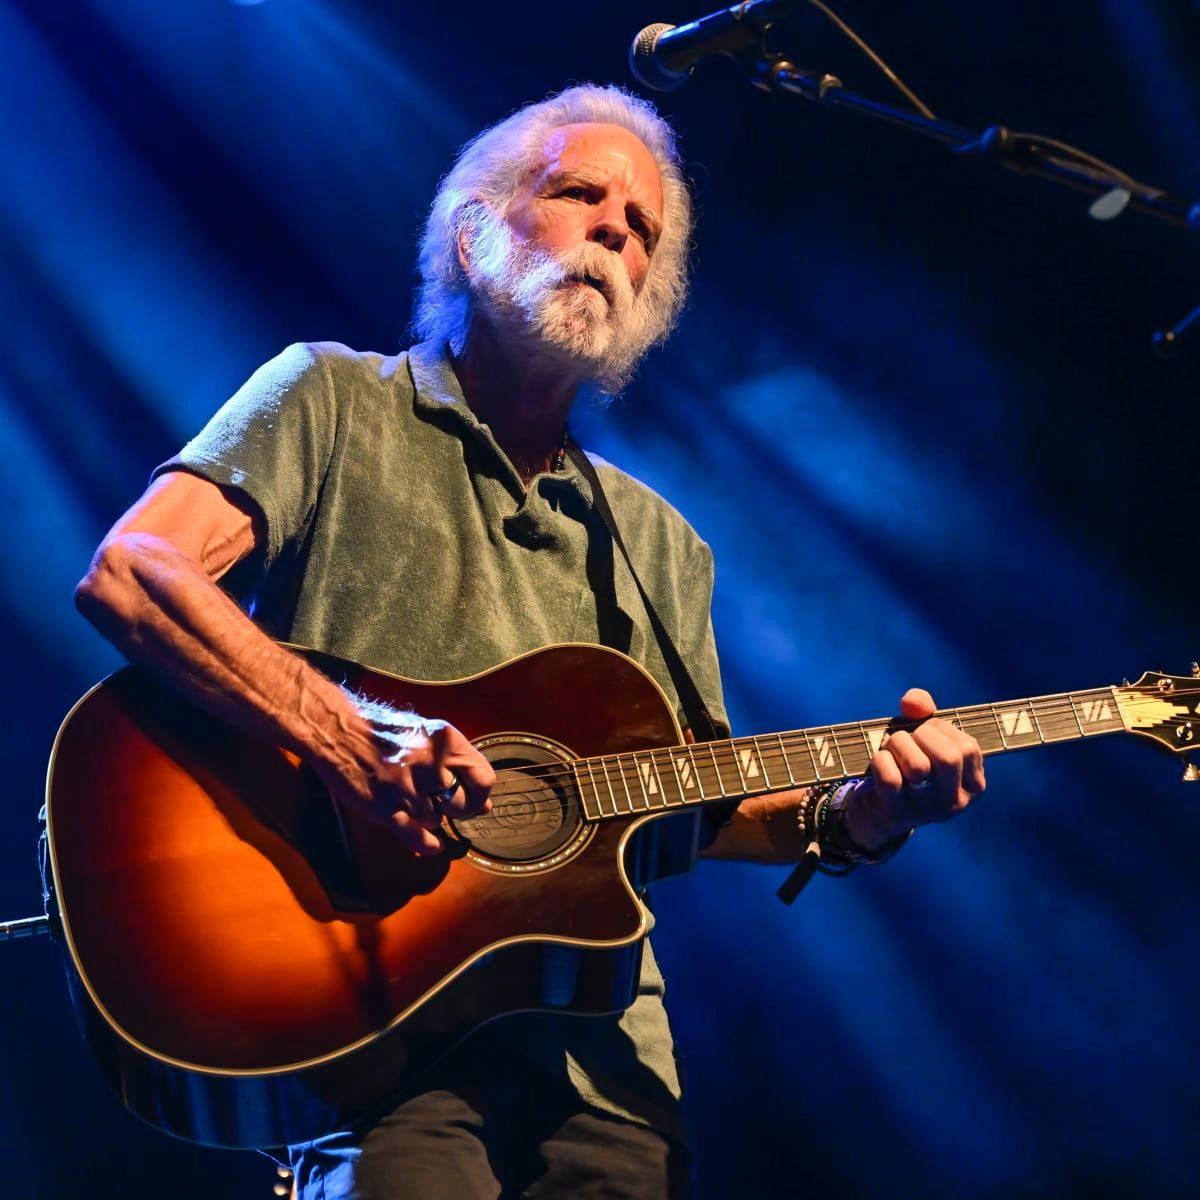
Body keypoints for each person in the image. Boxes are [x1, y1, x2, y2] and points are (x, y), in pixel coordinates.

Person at [75, 84, 985, 1199]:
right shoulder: (331, 398)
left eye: (641, 228)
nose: (614, 229)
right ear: (471, 230)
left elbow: (694, 812)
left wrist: (863, 814)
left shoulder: (659, 543)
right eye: (579, 194)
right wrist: (352, 737)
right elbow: (138, 573)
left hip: (602, 1067)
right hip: (368, 1019)